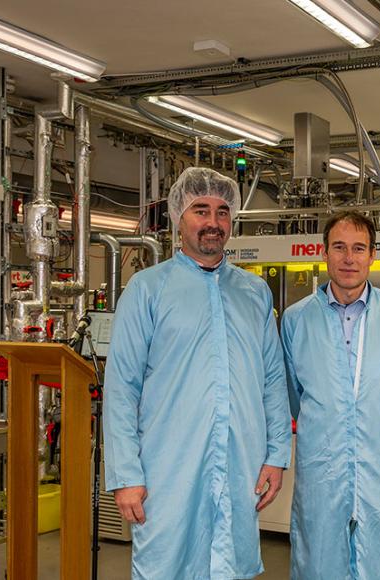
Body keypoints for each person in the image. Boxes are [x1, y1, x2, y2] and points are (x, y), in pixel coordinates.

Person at [103, 167, 292, 579]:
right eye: (201, 210)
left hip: (239, 463)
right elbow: (121, 388)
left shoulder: (253, 291)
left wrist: (276, 454)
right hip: (167, 469)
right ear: (178, 217)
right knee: (166, 565)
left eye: (223, 212)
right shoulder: (147, 289)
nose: (213, 222)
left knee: (230, 564)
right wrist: (126, 475)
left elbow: (272, 380)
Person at [281, 211, 380, 580]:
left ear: (372, 254)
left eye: (358, 248)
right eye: (339, 247)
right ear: (324, 252)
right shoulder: (296, 320)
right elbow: (295, 395)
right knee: (318, 560)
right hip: (321, 468)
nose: (349, 258)